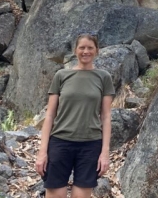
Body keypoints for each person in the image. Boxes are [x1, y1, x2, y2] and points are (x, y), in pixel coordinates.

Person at [35, 33, 115, 198]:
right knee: (55, 194)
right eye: (82, 47)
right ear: (75, 50)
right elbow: (49, 115)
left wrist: (105, 152)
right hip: (60, 142)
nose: (86, 51)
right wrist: (42, 151)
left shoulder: (104, 77)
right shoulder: (61, 76)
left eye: (90, 48)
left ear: (97, 51)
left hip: (90, 145)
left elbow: (106, 117)